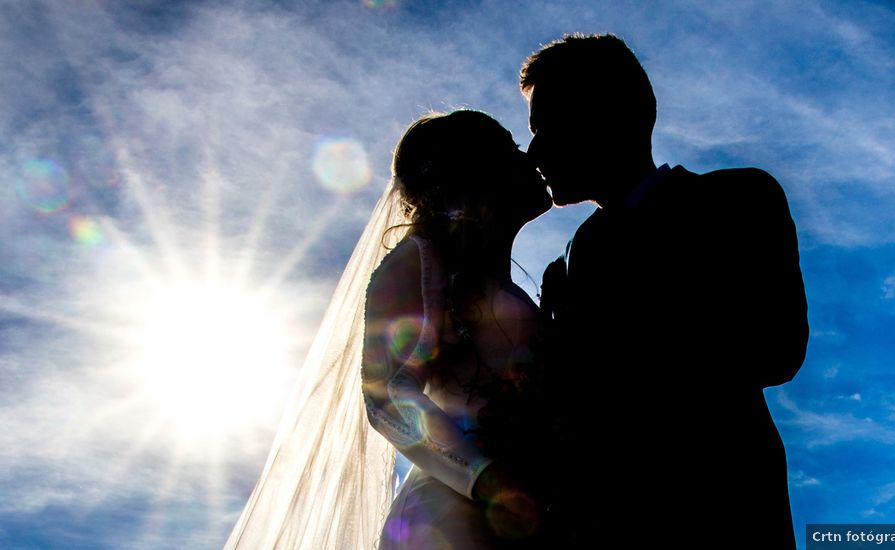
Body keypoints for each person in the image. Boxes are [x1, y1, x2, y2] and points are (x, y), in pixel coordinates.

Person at [522, 34, 809, 548]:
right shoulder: (568, 263)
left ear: (617, 114)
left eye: (548, 126)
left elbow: (778, 349)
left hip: (726, 514)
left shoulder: (739, 199)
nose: (535, 150)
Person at [224, 109, 551, 550]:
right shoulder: (418, 262)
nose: (528, 156)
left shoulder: (511, 286)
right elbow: (385, 395)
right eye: (510, 148)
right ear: (478, 172)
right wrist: (483, 478)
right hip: (451, 518)